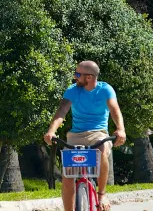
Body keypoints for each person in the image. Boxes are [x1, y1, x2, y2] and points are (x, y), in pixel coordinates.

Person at [43, 61, 126, 211]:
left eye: (77, 74)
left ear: (88, 77)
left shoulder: (105, 89)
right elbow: (61, 112)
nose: (75, 77)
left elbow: (115, 110)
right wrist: (51, 131)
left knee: (101, 152)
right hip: (75, 136)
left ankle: (101, 194)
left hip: (99, 134)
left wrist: (120, 129)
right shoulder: (72, 90)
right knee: (68, 177)